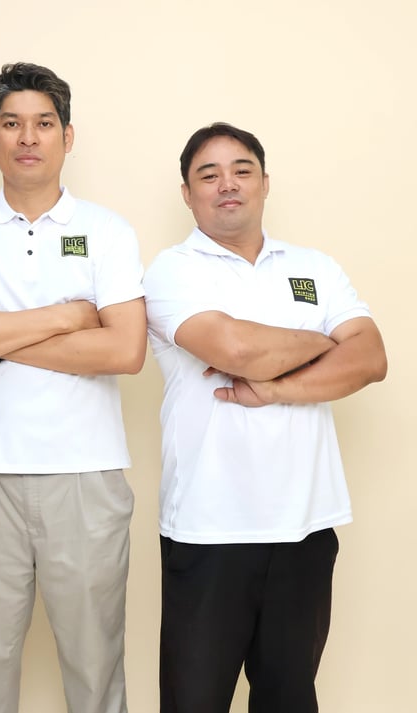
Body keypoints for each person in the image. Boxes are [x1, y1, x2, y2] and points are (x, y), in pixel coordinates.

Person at [0, 62, 146, 713]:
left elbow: (124, 350)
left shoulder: (106, 230)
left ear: (67, 137)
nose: (27, 137)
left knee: (96, 670)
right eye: (11, 123)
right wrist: (69, 315)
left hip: (86, 475)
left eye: (44, 123)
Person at [144, 122, 387, 713]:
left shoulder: (314, 267)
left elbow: (371, 357)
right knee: (194, 702)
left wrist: (276, 389)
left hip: (305, 526)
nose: (227, 184)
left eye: (242, 170)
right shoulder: (173, 270)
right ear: (188, 194)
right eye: (209, 175)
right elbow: (235, 349)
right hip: (209, 528)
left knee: (290, 699)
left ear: (265, 182)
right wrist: (324, 341)